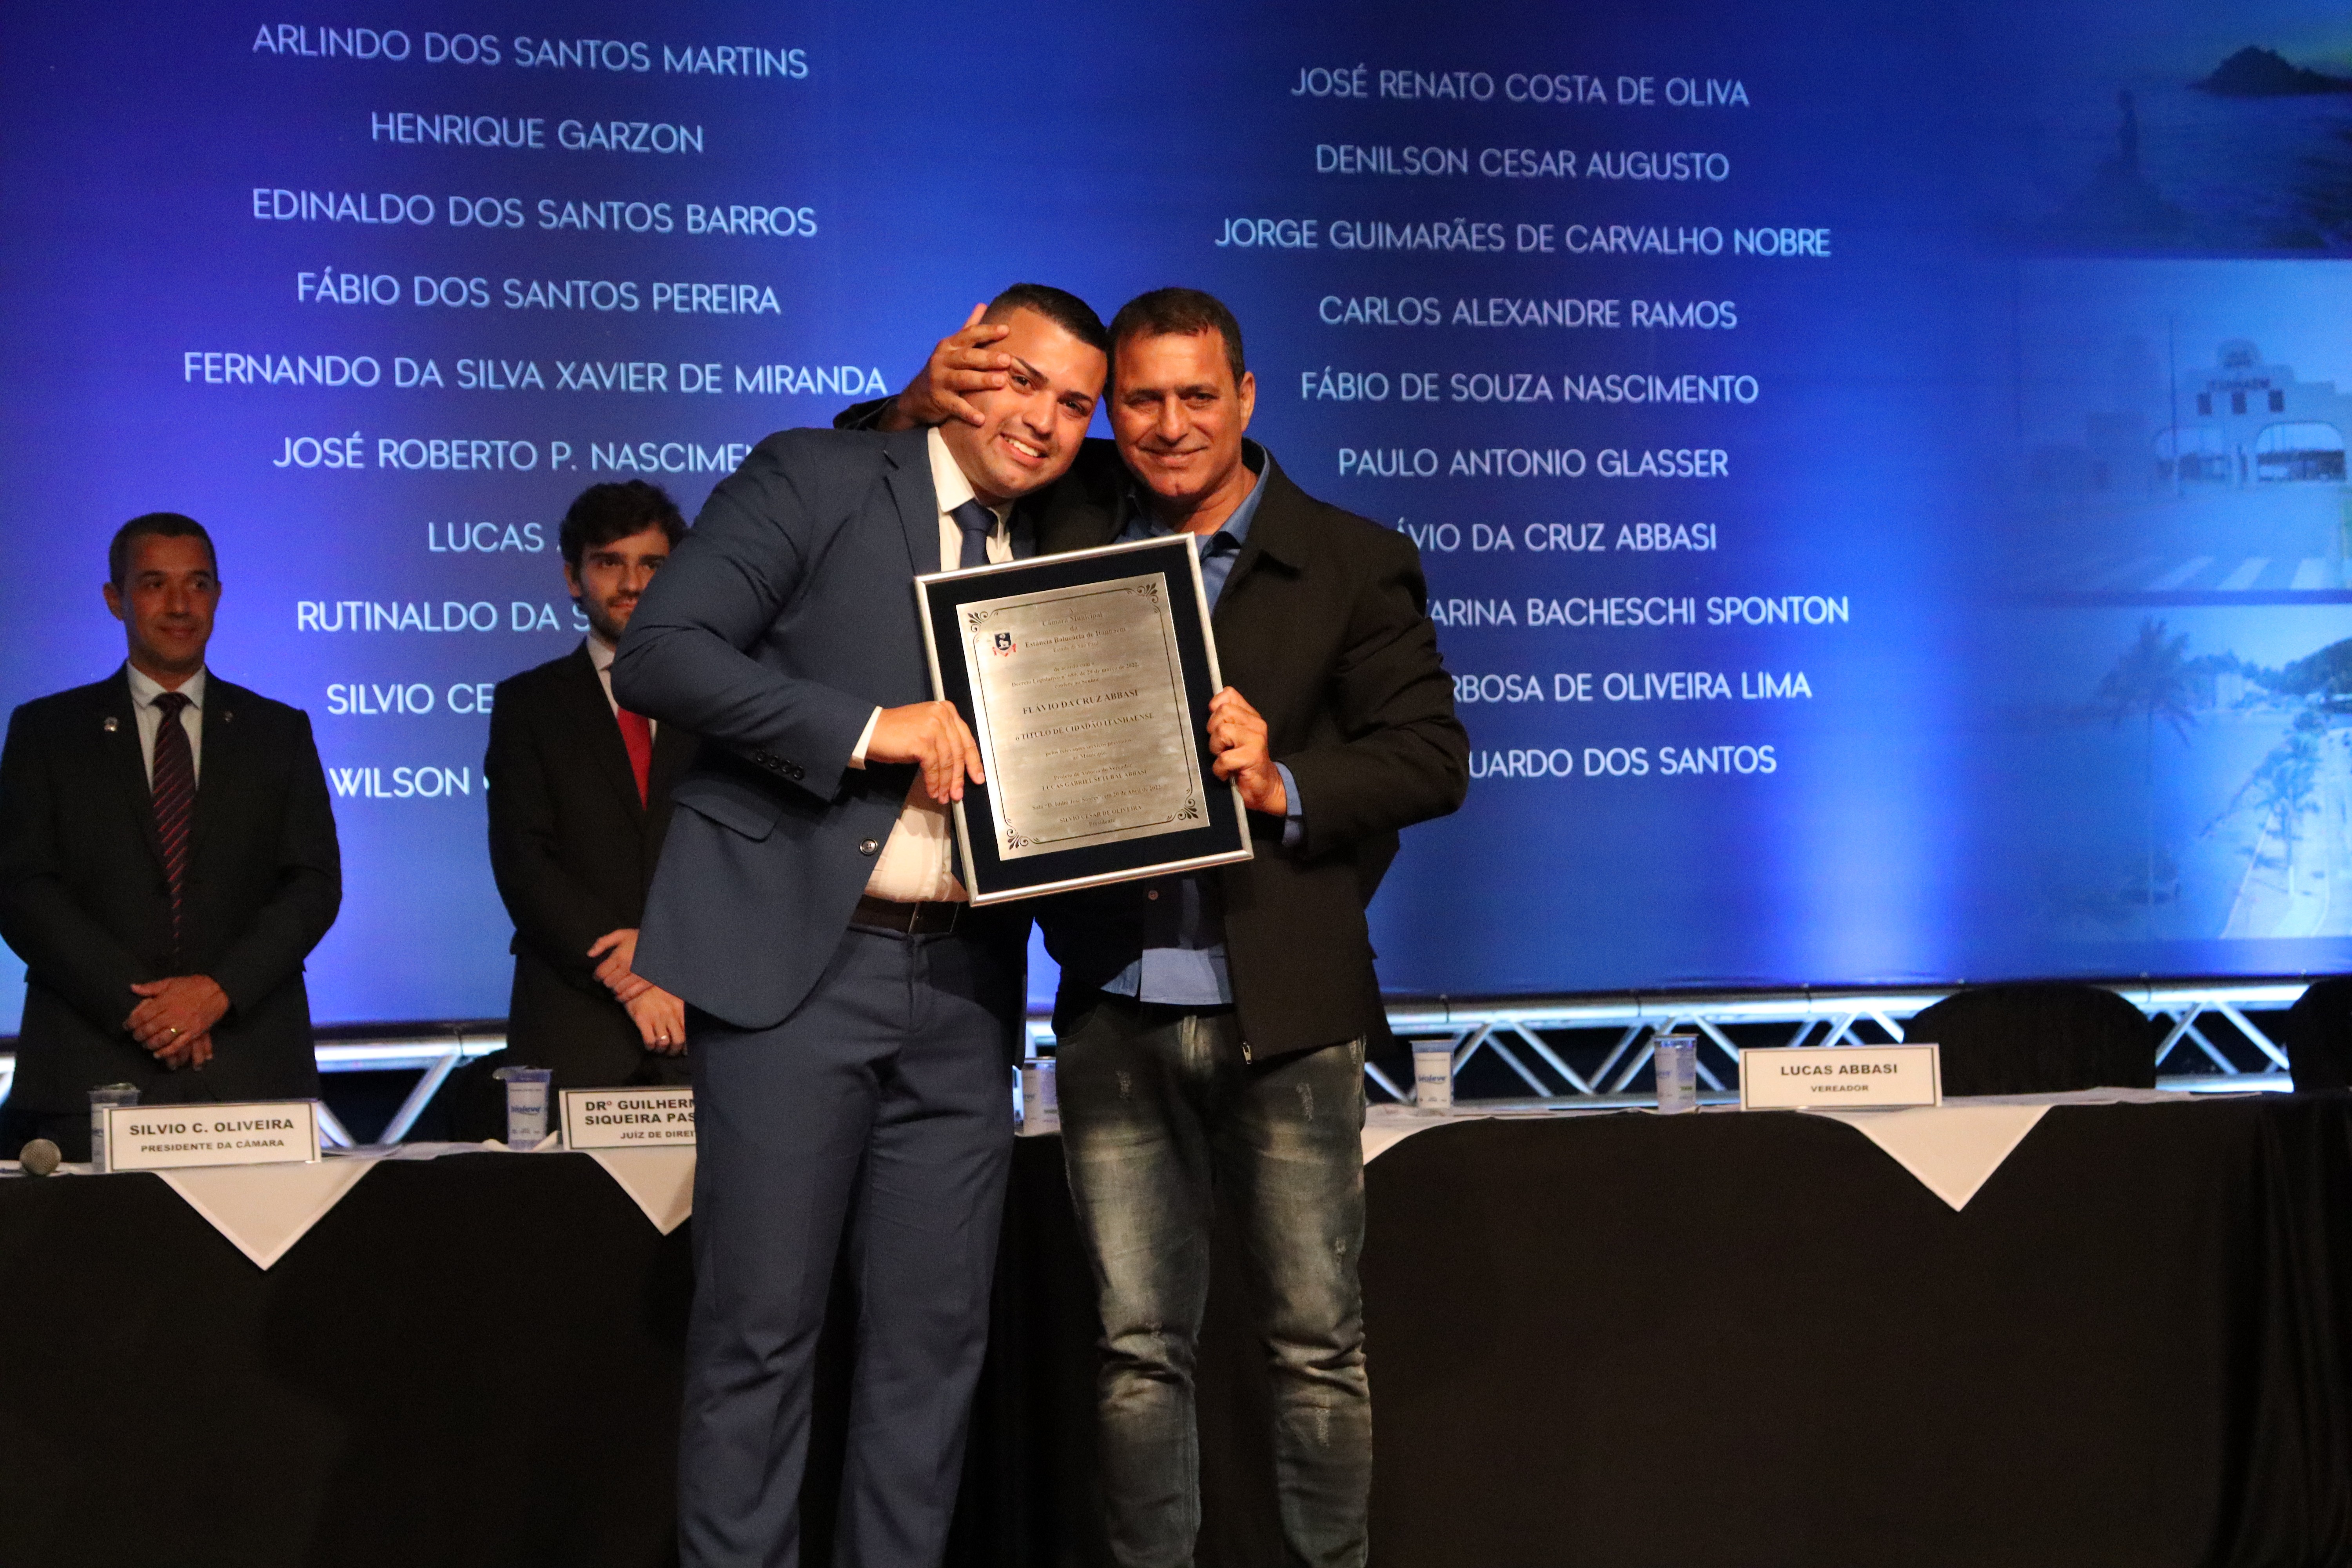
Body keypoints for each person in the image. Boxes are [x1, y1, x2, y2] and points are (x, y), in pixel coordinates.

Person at [853, 287, 1468, 1567]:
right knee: (1137, 1352)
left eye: (1197, 397)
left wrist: (1284, 777)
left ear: (1247, 397)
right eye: (1140, 400)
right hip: (1113, 1006)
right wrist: (920, 398)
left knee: (1316, 1347)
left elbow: (1430, 756)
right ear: (1110, 414)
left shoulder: (1349, 557)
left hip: (1289, 1011)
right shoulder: (1065, 514)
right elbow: (883, 465)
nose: (1171, 425)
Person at [611, 283, 1111, 1568]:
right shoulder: (819, 476)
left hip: (968, 987)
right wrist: (867, 730)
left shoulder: (1065, 548)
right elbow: (662, 650)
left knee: (934, 1353)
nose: (1044, 421)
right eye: (1024, 381)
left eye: (1075, 405)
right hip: (798, 970)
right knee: (759, 1338)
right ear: (969, 358)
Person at [0, 513, 341, 1161]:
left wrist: (217, 993)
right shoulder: (47, 732)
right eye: (155, 584)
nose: (180, 605)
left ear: (218, 596)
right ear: (116, 599)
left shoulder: (279, 732)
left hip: (251, 1076)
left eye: (198, 584)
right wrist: (145, 1011)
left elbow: (314, 884)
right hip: (90, 1072)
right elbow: (22, 890)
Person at [484, 481, 696, 1089]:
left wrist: (671, 960)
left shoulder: (721, 702)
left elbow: (746, 855)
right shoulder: (528, 704)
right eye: (609, 563)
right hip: (573, 1016)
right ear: (573, 578)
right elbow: (524, 862)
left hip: (701, 1011)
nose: (632, 584)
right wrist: (630, 973)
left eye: (653, 565)